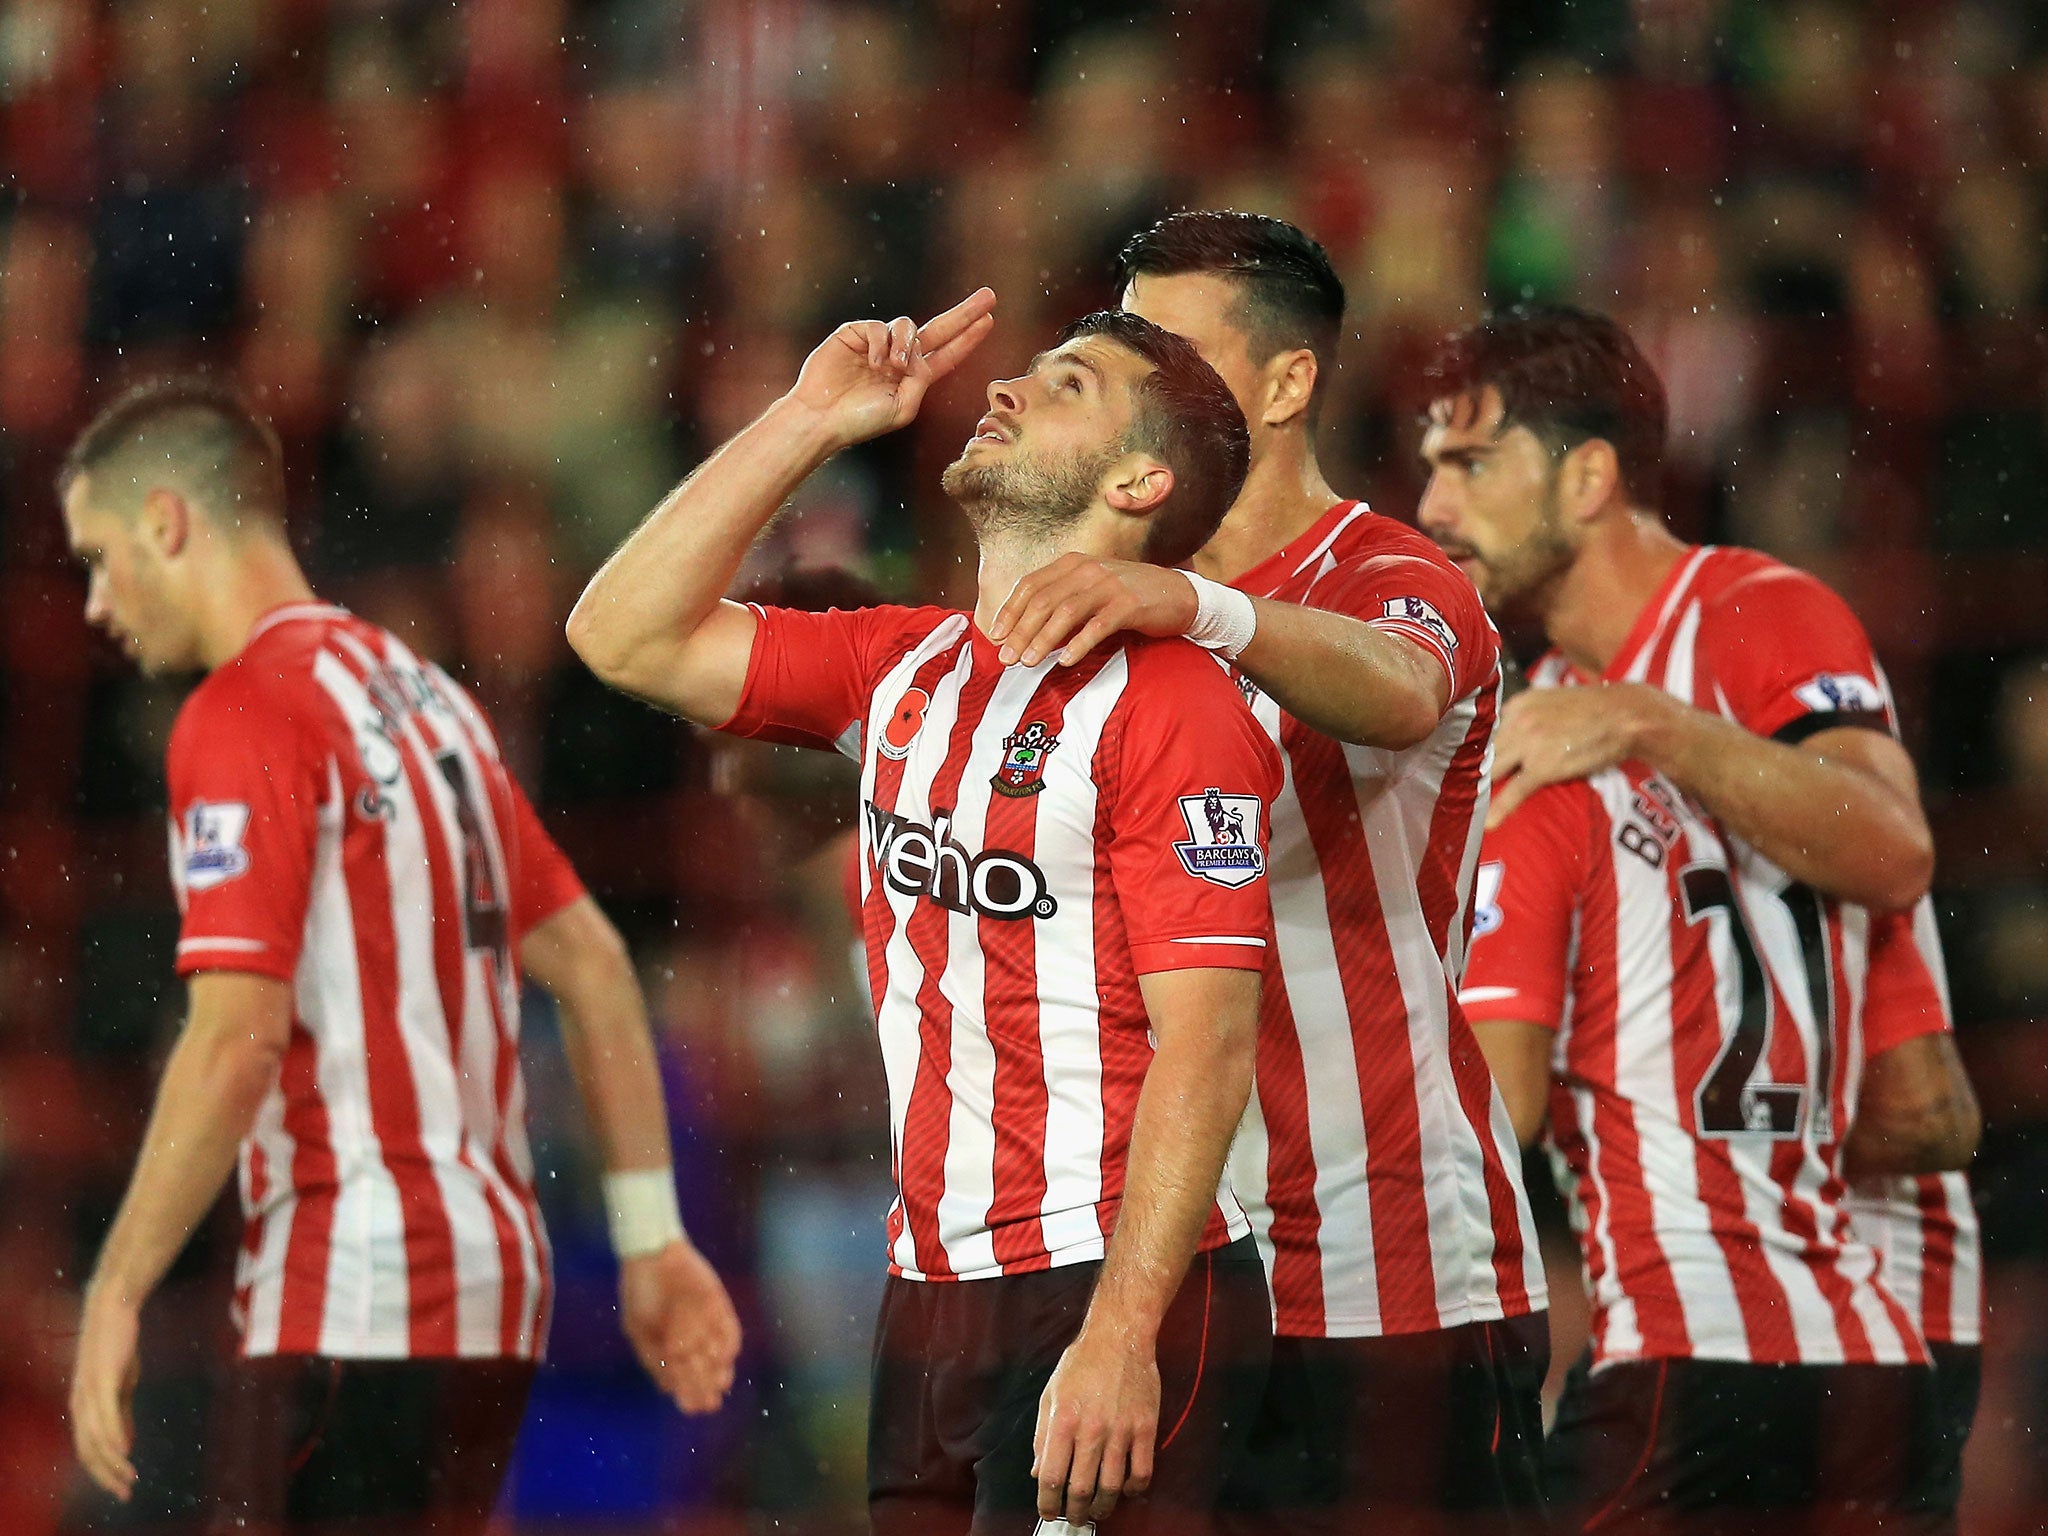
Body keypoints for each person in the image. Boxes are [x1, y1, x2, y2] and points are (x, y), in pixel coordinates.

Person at [566, 290, 1281, 1535]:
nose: (1003, 387)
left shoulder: (1177, 708)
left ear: (1135, 482)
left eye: (1065, 386)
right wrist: (806, 418)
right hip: (930, 1285)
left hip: (1106, 1280)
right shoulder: (903, 667)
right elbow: (618, 635)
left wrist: (1121, 1334)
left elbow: (1211, 1044)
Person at [60, 379, 741, 1535]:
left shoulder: (241, 714)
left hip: (352, 1284)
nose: (92, 601)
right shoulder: (427, 700)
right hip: (490, 1291)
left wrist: (118, 1288)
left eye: (100, 554)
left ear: (168, 524)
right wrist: (649, 1237)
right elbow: (592, 964)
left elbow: (234, 1040)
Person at [987, 211, 1549, 1533]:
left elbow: (1406, 692)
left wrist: (1203, 609)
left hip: (1380, 1273)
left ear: (1289, 385)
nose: (1143, 380)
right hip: (1151, 1286)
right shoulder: (1089, 593)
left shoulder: (1396, 578)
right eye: (1123, 347)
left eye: (1176, 350)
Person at [1416, 304, 1982, 1533]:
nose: (1432, 507)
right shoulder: (1547, 715)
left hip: (1869, 1288)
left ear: (1586, 478)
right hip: (1775, 1311)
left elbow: (1893, 858)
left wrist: (1655, 724)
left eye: (1466, 463)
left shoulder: (1745, 614)